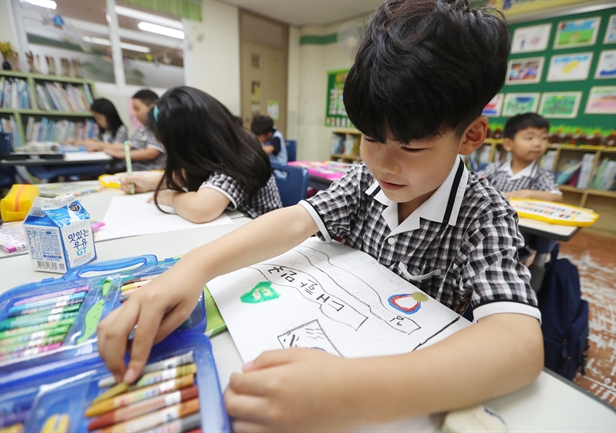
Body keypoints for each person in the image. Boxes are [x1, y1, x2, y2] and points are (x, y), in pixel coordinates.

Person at [97, 1, 543, 431]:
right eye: (370, 138)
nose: (385, 165)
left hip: (406, 383)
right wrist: (193, 268)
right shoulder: (364, 180)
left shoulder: (484, 213)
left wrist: (354, 393)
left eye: (411, 147)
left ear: (470, 136)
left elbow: (519, 344)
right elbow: (295, 220)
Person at [119, 86, 282, 223]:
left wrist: (169, 197)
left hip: (269, 240)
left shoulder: (236, 158)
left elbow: (199, 209)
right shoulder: (212, 152)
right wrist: (147, 183)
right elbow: (186, 175)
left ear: (188, 143)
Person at [479, 113, 562, 202]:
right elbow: (475, 181)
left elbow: (557, 196)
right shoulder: (495, 168)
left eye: (544, 138)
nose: (537, 143)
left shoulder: (542, 175)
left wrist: (528, 194)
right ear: (508, 144)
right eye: (529, 138)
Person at [86, 90, 167, 173]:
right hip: (134, 170)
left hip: (149, 172)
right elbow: (127, 145)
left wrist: (118, 154)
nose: (134, 113)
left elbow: (150, 153)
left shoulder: (157, 128)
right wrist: (101, 146)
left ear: (152, 108)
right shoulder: (142, 129)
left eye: (137, 109)